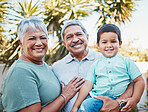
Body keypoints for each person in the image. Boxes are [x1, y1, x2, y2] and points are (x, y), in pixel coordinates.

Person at [2, 17, 84, 112]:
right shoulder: (20, 71)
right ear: (21, 43)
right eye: (32, 39)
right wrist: (65, 96)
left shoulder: (43, 65)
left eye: (43, 38)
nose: (39, 43)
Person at [52, 20, 134, 112]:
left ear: (87, 37)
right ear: (64, 43)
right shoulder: (56, 68)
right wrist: (65, 95)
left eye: (79, 34)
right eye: (69, 37)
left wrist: (118, 103)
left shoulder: (105, 59)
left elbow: (131, 85)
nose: (75, 40)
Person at [71, 24, 145, 112]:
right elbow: (87, 85)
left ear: (120, 43)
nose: (109, 45)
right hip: (97, 99)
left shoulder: (127, 62)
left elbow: (139, 81)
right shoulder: (96, 65)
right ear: (98, 45)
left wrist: (134, 99)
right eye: (104, 42)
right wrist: (75, 106)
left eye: (113, 41)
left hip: (120, 100)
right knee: (87, 105)